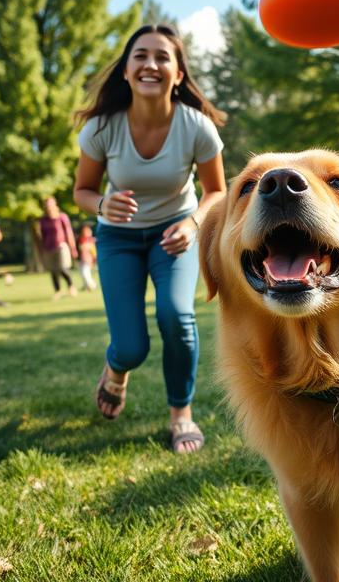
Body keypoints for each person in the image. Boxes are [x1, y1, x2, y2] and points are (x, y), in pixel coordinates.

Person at [73, 23, 227, 455]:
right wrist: (101, 205)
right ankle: (116, 371)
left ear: (178, 74)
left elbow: (218, 191)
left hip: (173, 236)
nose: (151, 64)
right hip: (118, 240)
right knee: (130, 347)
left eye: (163, 57)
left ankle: (181, 415)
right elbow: (81, 191)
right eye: (140, 55)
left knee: (177, 317)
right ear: (126, 70)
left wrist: (193, 223)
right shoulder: (103, 128)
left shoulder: (196, 126)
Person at [37, 197, 78, 299]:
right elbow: (41, 236)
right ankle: (57, 290)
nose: (48, 206)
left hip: (61, 246)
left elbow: (68, 232)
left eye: (50, 203)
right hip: (48, 247)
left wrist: (73, 247)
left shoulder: (62, 217)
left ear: (55, 204)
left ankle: (70, 286)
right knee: (53, 270)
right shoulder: (42, 220)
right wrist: (41, 250)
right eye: (46, 204)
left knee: (62, 268)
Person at [77, 223, 98, 292]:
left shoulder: (92, 240)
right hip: (81, 259)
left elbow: (93, 252)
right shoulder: (80, 239)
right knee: (82, 273)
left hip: (88, 260)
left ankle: (93, 285)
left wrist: (94, 259)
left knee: (85, 273)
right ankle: (86, 286)